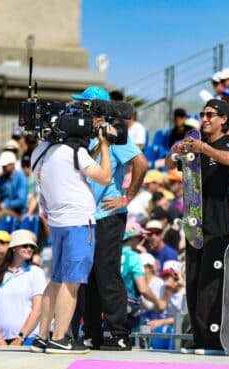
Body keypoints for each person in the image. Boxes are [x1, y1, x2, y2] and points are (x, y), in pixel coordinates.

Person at [71, 86, 150, 351]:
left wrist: (126, 197)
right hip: (86, 215)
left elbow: (142, 164)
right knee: (89, 276)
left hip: (109, 213)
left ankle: (119, 332)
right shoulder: (81, 134)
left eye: (84, 104)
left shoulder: (116, 134)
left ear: (98, 108)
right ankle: (92, 331)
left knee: (107, 273)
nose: (79, 107)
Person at [29, 117, 113, 354]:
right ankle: (59, 338)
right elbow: (104, 176)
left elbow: (72, 169)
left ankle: (42, 337)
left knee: (56, 281)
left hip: (57, 222)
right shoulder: (74, 151)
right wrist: (105, 146)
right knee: (71, 282)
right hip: (79, 222)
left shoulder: (40, 151)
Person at [164, 98, 229, 352]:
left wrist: (203, 148)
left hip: (218, 224)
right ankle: (199, 336)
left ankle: (214, 338)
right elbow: (167, 165)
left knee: (212, 282)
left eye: (210, 114)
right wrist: (177, 150)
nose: (205, 118)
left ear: (223, 119)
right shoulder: (194, 144)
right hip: (194, 223)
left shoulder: (227, 142)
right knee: (194, 282)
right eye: (202, 114)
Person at [0, 230, 45, 346]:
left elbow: (38, 309)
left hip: (28, 340)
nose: (29, 248)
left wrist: (20, 338)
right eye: (25, 245)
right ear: (13, 248)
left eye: (32, 246)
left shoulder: (36, 272)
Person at [0, 151, 28, 216]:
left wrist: (6, 204)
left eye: (6, 165)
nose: (3, 167)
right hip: (5, 212)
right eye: (3, 166)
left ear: (13, 164)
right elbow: (0, 197)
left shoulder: (21, 177)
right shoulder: (1, 179)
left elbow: (21, 201)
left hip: (20, 214)